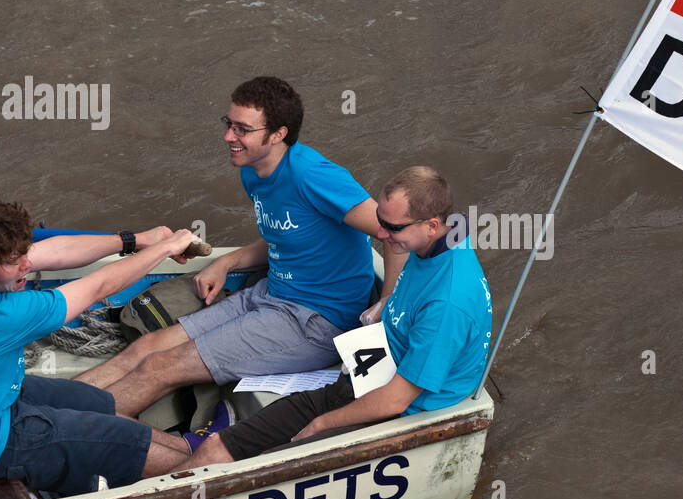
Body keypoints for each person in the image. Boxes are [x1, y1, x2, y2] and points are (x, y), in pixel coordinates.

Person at [76, 77, 405, 424]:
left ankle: (65, 437)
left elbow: (393, 233)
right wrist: (227, 262)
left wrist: (386, 302)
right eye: (228, 124)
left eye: (242, 129)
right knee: (145, 348)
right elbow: (290, 234)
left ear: (277, 134)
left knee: (161, 367)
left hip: (317, 321)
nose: (228, 137)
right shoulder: (253, 170)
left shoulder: (315, 175)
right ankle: (32, 414)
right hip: (269, 295)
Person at [177, 166, 492, 466]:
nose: (381, 234)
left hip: (397, 409)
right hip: (372, 369)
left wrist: (320, 425)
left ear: (432, 226)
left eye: (393, 228)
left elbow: (395, 401)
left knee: (224, 451)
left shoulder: (447, 305)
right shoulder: (439, 242)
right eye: (381, 220)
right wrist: (389, 302)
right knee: (226, 444)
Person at [0, 196, 199, 495]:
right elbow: (99, 287)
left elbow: (51, 252)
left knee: (96, 404)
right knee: (127, 442)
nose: (28, 264)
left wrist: (135, 241)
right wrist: (167, 248)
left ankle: (190, 447)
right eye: (15, 262)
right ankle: (206, 472)